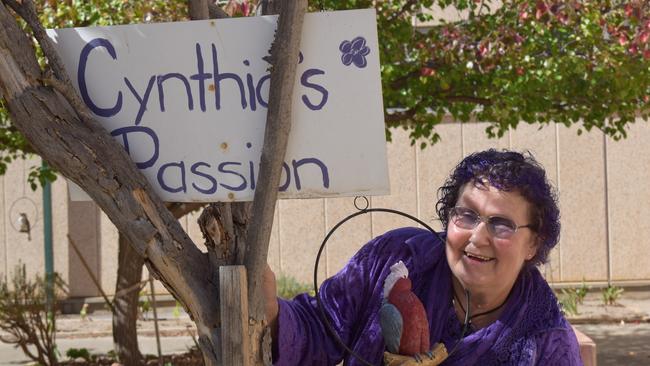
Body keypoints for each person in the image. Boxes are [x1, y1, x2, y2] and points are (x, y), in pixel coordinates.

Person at [263, 149, 582, 365]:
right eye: (466, 215)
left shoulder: (548, 345)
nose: (477, 237)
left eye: (501, 224)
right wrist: (269, 308)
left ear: (533, 244)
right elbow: (320, 327)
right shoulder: (394, 259)